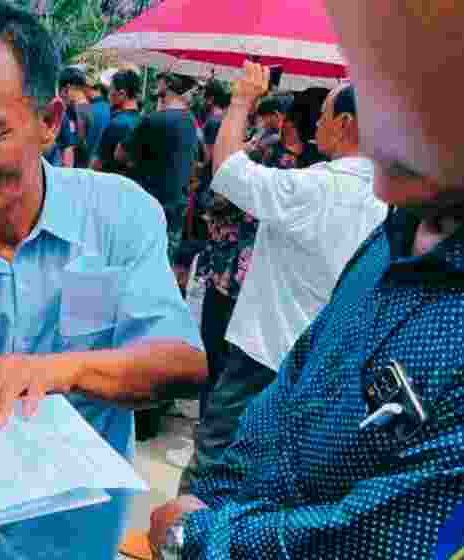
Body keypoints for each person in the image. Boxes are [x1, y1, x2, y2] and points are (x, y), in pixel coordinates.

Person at [0, 2, 208, 558]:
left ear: (49, 122)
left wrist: (63, 371)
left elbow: (180, 362)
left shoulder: (119, 218)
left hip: (73, 541)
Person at [148, 0, 464, 551]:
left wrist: (195, 535)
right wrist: (217, 497)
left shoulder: (322, 188)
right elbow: (296, 381)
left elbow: (377, 538)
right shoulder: (396, 228)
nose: (385, 111)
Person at [118, 72, 200, 260]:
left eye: (161, 78)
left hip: (147, 209)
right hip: (175, 210)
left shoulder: (153, 120)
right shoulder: (190, 121)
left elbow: (120, 154)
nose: (157, 81)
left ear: (168, 84)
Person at [92, 69, 142, 174]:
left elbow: (98, 164)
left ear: (122, 94)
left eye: (110, 90)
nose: (108, 95)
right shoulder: (142, 121)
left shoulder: (117, 124)